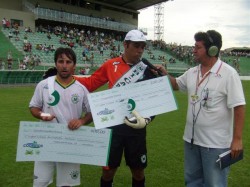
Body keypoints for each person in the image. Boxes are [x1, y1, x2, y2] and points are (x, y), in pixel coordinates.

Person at [157, 30, 245, 186]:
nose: (193, 50)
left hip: (215, 145)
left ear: (212, 50)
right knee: (192, 182)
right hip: (191, 141)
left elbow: (239, 106)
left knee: (214, 184)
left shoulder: (228, 74)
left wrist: (237, 139)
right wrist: (164, 74)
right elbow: (177, 84)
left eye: (197, 47)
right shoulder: (192, 72)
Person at [74, 29, 158, 187]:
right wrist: (66, 78)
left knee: (138, 171)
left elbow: (156, 100)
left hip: (136, 128)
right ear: (125, 45)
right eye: (136, 45)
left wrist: (147, 119)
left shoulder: (148, 69)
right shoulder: (110, 64)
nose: (140, 50)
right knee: (108, 170)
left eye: (143, 46)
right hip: (111, 126)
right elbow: (91, 83)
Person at [29, 47, 92, 187]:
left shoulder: (81, 89)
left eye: (68, 62)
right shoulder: (44, 85)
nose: (64, 65)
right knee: (40, 182)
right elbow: (33, 107)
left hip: (70, 141)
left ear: (74, 66)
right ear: (55, 63)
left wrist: (81, 121)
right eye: (60, 61)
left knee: (66, 184)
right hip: (45, 140)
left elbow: (91, 113)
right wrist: (41, 114)